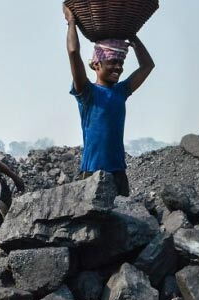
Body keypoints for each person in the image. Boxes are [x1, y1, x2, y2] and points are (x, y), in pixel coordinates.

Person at [63, 3, 156, 197]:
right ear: (97, 64)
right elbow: (73, 53)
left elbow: (147, 65)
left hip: (118, 172)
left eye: (121, 63)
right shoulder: (87, 92)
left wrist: (132, 35)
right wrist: (71, 22)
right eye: (112, 62)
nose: (118, 67)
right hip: (92, 172)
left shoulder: (121, 91)